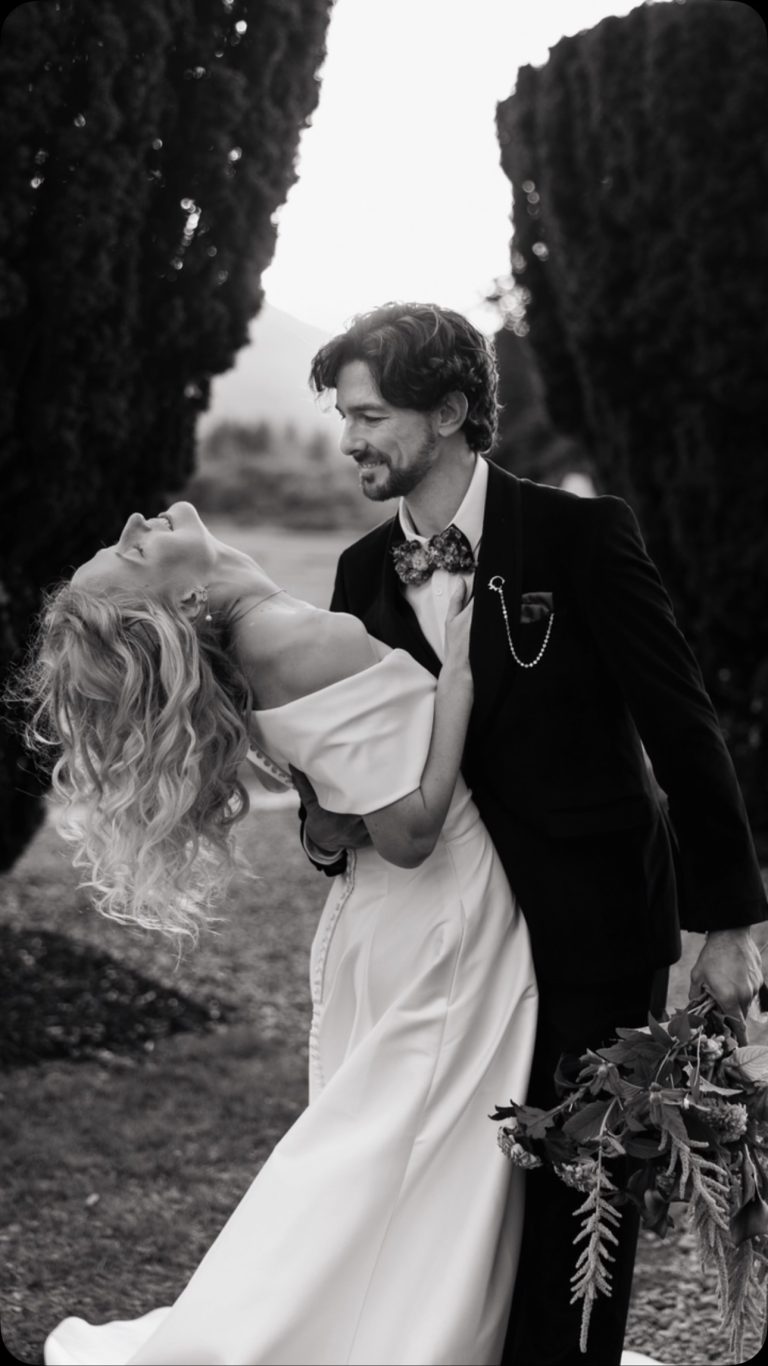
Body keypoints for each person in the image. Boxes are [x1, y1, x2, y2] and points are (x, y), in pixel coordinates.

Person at [298, 301, 768, 1366]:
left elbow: (681, 725)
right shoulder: (359, 577)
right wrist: (326, 837)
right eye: (344, 416)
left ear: (454, 409)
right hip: (435, 950)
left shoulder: (581, 537)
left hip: (588, 936)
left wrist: (730, 918)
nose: (351, 440)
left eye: (371, 415)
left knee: (578, 1219)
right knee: (435, 1200)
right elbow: (348, 790)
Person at [24, 500, 539, 1366]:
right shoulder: (293, 643)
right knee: (401, 1156)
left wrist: (333, 818)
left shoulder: (267, 643)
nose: (136, 519)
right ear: (181, 606)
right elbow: (411, 834)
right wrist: (456, 685)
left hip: (403, 922)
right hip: (444, 915)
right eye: (132, 549)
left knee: (394, 1157)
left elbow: (343, 811)